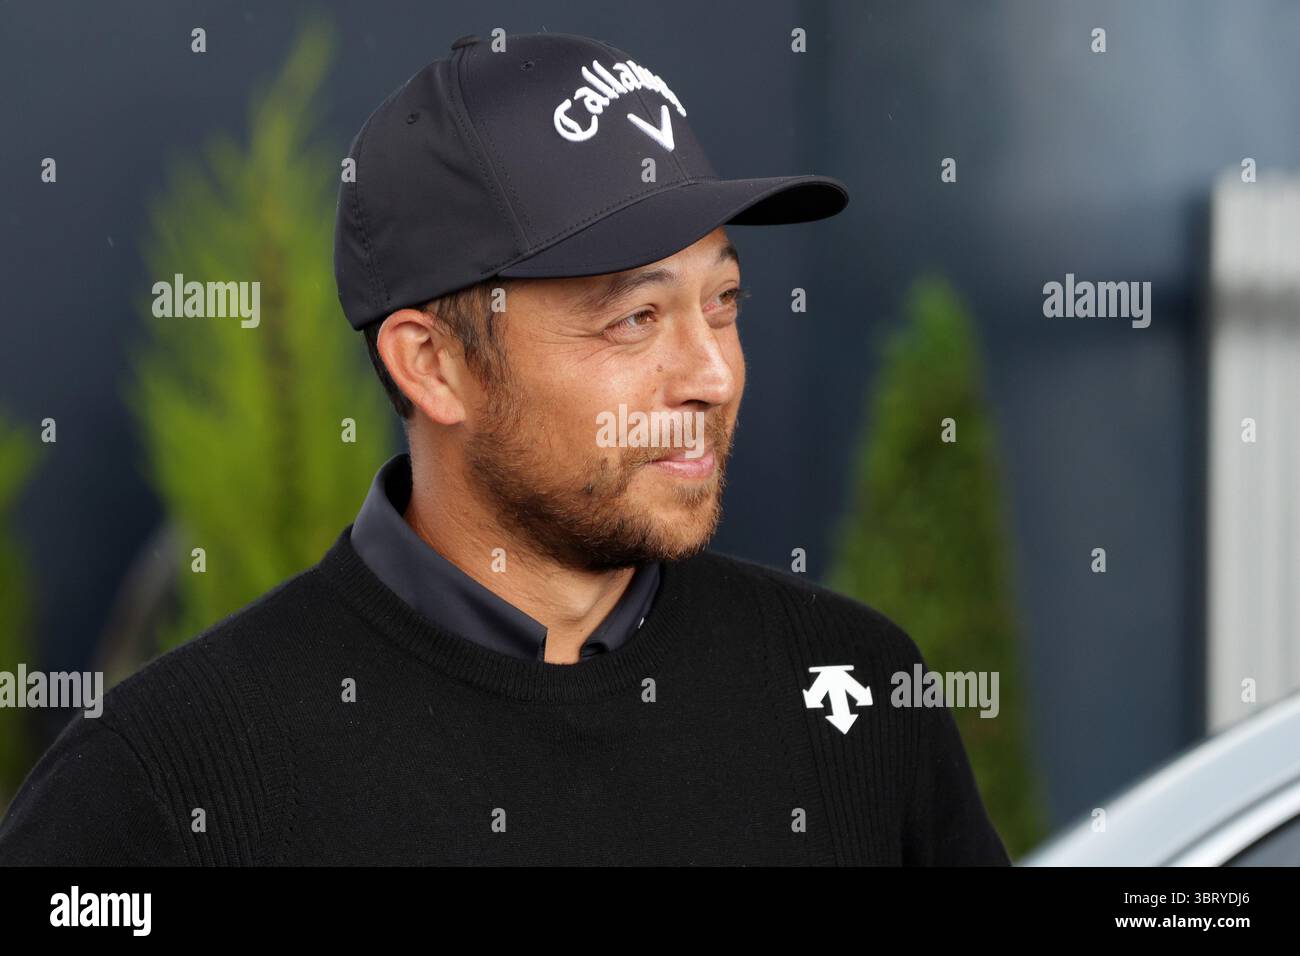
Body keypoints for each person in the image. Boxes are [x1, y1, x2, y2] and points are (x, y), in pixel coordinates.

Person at [0, 31, 1010, 865]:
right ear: (432, 365)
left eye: (723, 300)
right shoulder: (164, 786)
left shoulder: (854, 685)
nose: (712, 372)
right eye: (634, 319)